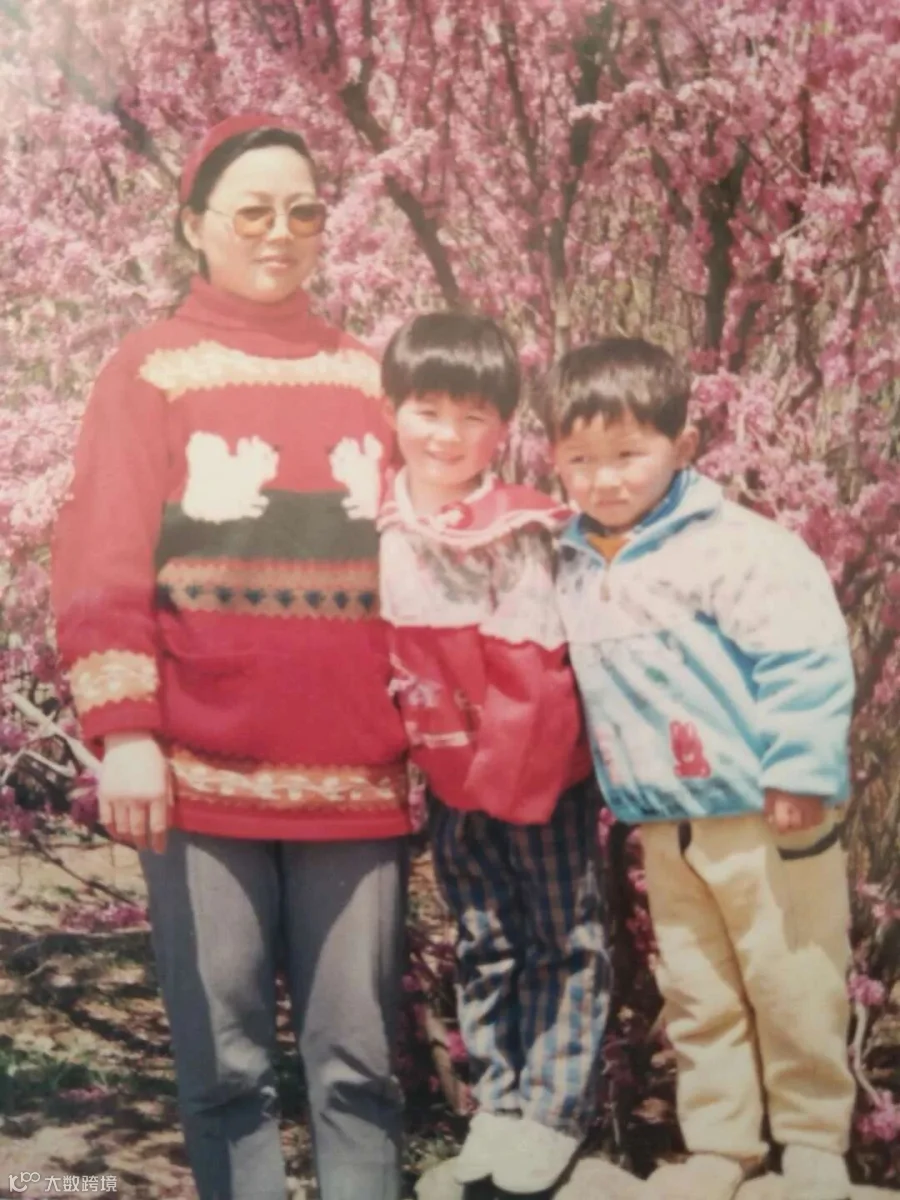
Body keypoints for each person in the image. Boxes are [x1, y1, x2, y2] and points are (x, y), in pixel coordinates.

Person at [51, 114, 412, 1200]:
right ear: (194, 225)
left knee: (361, 1070)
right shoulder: (149, 371)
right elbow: (102, 560)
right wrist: (125, 734)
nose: (280, 232)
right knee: (225, 1071)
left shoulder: (369, 375)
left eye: (303, 211)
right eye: (252, 211)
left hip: (358, 779)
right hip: (199, 779)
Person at [539, 336, 856, 1200]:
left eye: (627, 454)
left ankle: (813, 1141)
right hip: (664, 821)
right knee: (697, 988)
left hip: (763, 810)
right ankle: (722, 1142)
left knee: (793, 977)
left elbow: (805, 654)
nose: (605, 479)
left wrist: (799, 770)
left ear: (682, 445)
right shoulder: (573, 558)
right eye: (580, 460)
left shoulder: (734, 547)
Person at [330, 312, 611, 1196]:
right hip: (452, 777)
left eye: (474, 416)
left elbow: (535, 670)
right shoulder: (375, 516)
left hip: (538, 775)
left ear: (504, 428)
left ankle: (554, 1113)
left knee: (562, 940)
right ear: (391, 411)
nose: (448, 436)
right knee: (485, 939)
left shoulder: (516, 525)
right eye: (428, 411)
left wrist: (509, 782)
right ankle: (499, 1100)